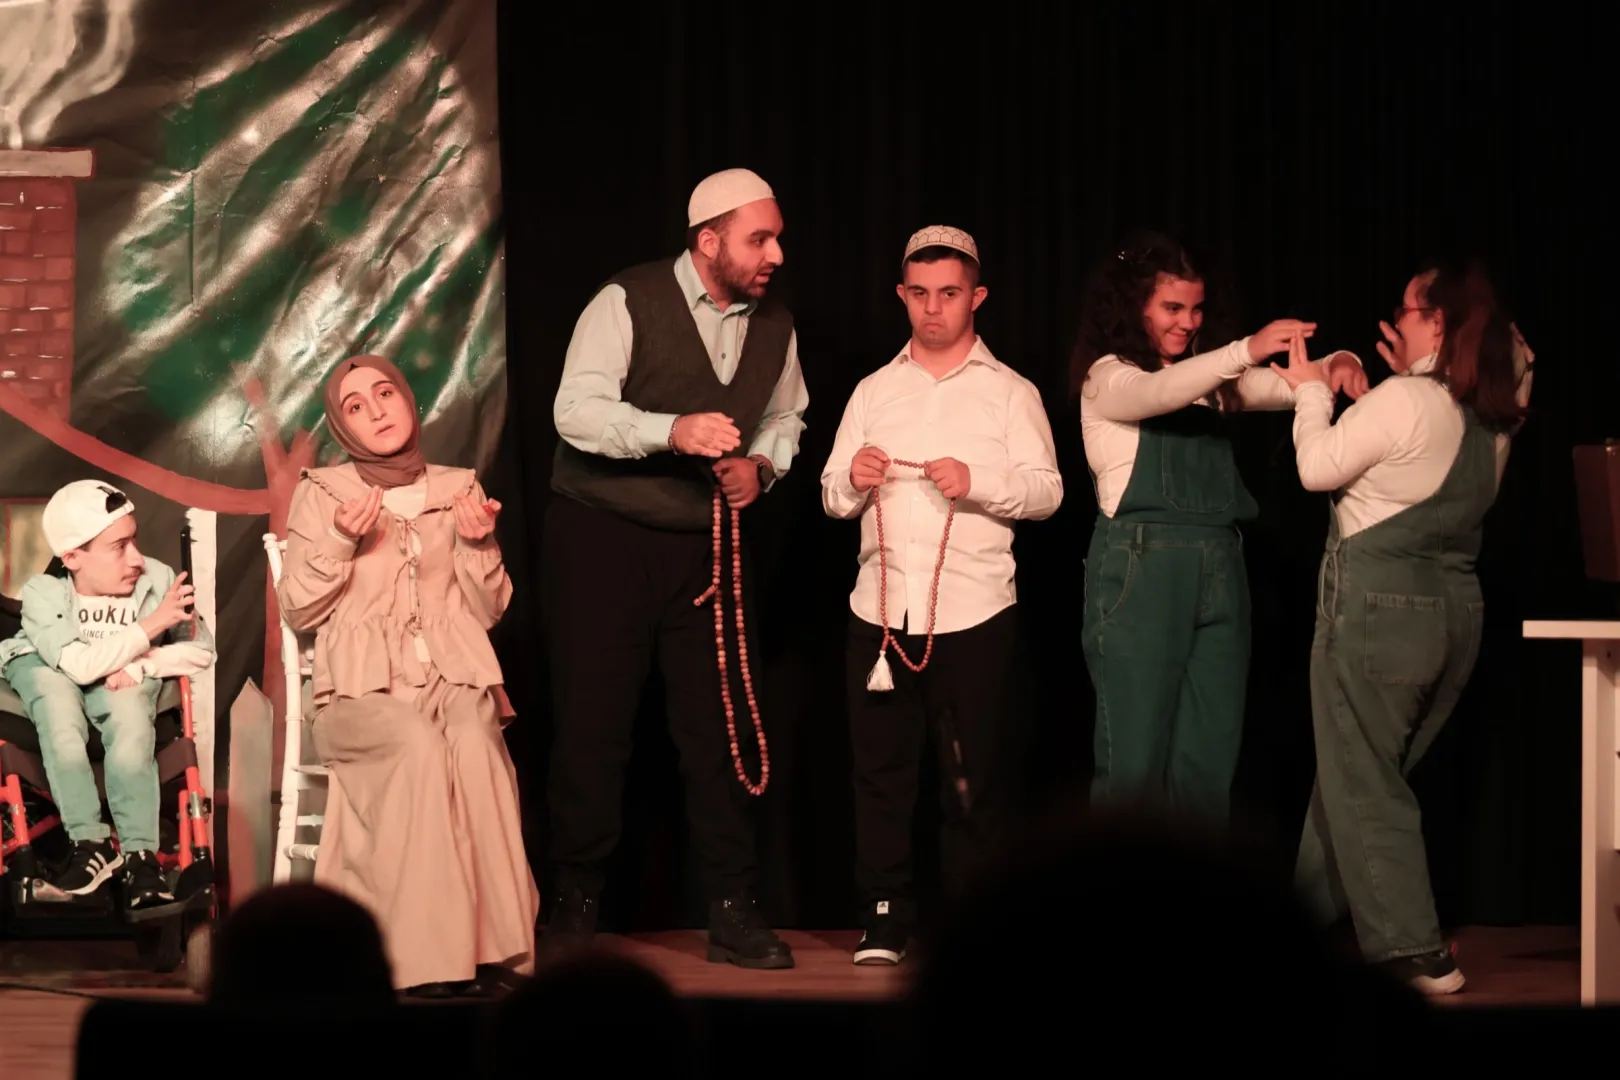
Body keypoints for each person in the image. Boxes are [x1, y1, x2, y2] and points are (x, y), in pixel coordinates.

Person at [544, 168, 808, 969]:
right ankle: (574, 903)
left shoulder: (776, 324)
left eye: (777, 237)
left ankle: (732, 907)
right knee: (593, 728)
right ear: (709, 240)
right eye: (760, 238)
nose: (776, 254)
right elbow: (574, 411)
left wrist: (762, 465)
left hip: (706, 546)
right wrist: (672, 431)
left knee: (719, 732)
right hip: (604, 539)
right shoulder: (626, 300)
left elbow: (787, 414)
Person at [1271, 261, 1535, 995]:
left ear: (1438, 322)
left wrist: (1311, 392)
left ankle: (1416, 952)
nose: (1395, 320)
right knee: (1354, 781)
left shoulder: (1407, 401)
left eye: (1408, 310)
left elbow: (1316, 467)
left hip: (1379, 613)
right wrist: (1426, 359)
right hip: (1456, 617)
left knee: (1367, 784)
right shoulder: (1498, 405)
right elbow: (1520, 351)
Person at [821, 226, 1062, 965]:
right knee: (881, 776)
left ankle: (972, 924)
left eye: (949, 293)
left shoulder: (1011, 392)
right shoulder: (874, 390)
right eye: (920, 294)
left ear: (976, 297)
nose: (933, 309)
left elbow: (1049, 492)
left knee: (971, 780)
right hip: (879, 614)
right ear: (902, 295)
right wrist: (851, 479)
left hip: (974, 613)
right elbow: (830, 494)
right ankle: (884, 916)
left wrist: (978, 481)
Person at [1071, 231, 1366, 823]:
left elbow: (1291, 385)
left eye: (1196, 309)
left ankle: (1197, 885)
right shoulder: (1109, 377)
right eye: (1172, 308)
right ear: (1134, 306)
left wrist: (1338, 362)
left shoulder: (1210, 383)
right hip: (1144, 572)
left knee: (1207, 761)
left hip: (1220, 569)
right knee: (1133, 763)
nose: (1187, 322)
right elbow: (1159, 391)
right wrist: (1244, 349)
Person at [277, 353, 539, 998]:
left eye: (385, 393)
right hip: (359, 693)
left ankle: (493, 951)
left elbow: (490, 610)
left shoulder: (459, 488)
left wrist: (478, 544)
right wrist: (340, 541)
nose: (376, 412)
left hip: (452, 680)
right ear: (343, 426)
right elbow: (299, 609)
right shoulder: (324, 493)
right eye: (355, 406)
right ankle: (419, 958)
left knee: (475, 744)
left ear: (409, 401)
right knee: (417, 748)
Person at [0, 479, 213, 910]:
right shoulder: (44, 593)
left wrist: (142, 663)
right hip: (52, 683)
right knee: (54, 694)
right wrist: (151, 627)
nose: (136, 558)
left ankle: (140, 858)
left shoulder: (158, 579)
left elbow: (203, 650)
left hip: (118, 694)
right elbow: (78, 667)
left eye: (135, 539)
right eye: (118, 546)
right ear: (72, 557)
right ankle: (90, 843)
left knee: (131, 705)